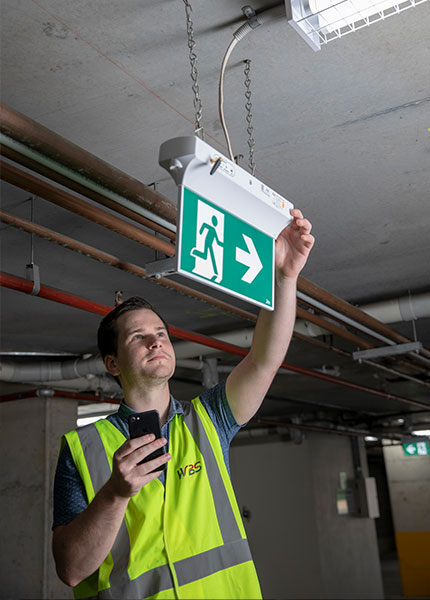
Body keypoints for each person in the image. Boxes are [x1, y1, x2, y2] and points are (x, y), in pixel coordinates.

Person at [52, 208, 314, 599]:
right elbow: (71, 571)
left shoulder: (210, 418)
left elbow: (264, 359)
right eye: (137, 337)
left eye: (160, 333)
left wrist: (284, 278)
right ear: (112, 364)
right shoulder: (82, 449)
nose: (155, 341)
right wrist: (115, 493)